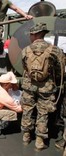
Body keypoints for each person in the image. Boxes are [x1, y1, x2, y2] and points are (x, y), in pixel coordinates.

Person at [21, 22, 64, 151]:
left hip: (29, 86)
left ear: (35, 34)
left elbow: (25, 68)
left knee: (27, 109)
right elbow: (60, 70)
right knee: (43, 112)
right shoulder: (54, 49)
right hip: (47, 87)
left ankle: (26, 136)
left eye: (31, 34)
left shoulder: (26, 50)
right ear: (43, 34)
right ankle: (39, 141)